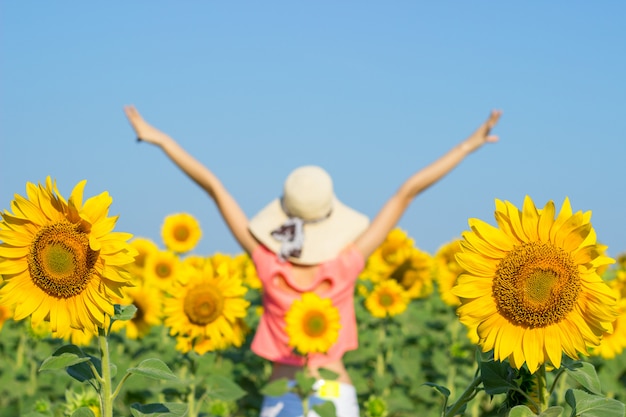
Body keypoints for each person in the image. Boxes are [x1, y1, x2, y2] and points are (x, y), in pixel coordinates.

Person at [124, 105, 502, 417]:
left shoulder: (267, 261)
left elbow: (214, 187)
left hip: (280, 395)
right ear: (331, 216)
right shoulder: (346, 262)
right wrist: (468, 145)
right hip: (336, 395)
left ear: (284, 214)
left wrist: (162, 140)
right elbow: (407, 193)